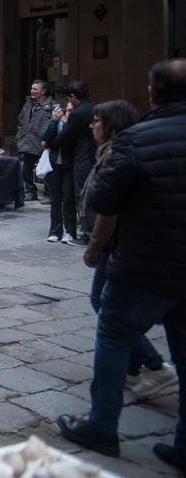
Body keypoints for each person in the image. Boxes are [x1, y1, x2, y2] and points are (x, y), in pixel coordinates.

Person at [57, 59, 186, 472]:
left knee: (113, 336)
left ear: (152, 94)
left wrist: (95, 246)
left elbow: (102, 202)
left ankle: (102, 426)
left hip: (144, 261)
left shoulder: (136, 139)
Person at [81, 100, 176, 403]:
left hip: (120, 244)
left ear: (110, 124)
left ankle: (152, 366)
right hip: (130, 245)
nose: (92, 125)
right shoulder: (114, 150)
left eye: (96, 121)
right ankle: (140, 367)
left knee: (108, 311)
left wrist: (95, 245)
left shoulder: (119, 153)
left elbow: (109, 208)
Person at [47, 81, 96, 245]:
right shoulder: (95, 107)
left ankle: (86, 233)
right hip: (92, 155)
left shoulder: (78, 113)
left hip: (82, 157)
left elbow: (66, 136)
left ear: (73, 97)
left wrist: (51, 143)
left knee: (80, 195)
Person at [42, 93, 79, 244]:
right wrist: (53, 121)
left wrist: (51, 143)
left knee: (68, 199)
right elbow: (44, 137)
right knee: (55, 198)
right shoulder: (55, 122)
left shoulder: (75, 126)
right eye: (67, 110)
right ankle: (54, 230)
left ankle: (69, 231)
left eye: (71, 111)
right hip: (54, 165)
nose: (68, 114)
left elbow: (61, 142)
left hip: (69, 165)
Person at [17, 80, 55, 200]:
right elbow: (21, 120)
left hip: (44, 143)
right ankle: (31, 191)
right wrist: (20, 135)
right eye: (32, 89)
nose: (32, 91)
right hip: (28, 141)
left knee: (47, 169)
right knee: (25, 168)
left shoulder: (52, 106)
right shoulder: (28, 104)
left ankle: (49, 194)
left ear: (43, 91)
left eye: (35, 89)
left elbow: (55, 124)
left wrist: (49, 139)